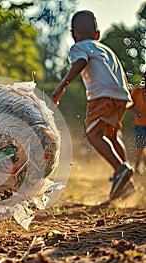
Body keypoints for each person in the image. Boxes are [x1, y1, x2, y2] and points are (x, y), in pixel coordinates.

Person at [51, 10, 134, 200]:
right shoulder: (106, 50)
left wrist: (61, 89)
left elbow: (80, 62)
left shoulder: (79, 47)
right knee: (111, 135)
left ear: (73, 35)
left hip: (102, 96)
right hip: (121, 96)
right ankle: (126, 181)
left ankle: (121, 169)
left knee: (92, 133)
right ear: (97, 34)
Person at [129, 73, 146, 174]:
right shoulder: (137, 91)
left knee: (142, 147)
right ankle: (135, 167)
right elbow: (129, 103)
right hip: (140, 124)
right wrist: (137, 112)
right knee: (140, 147)